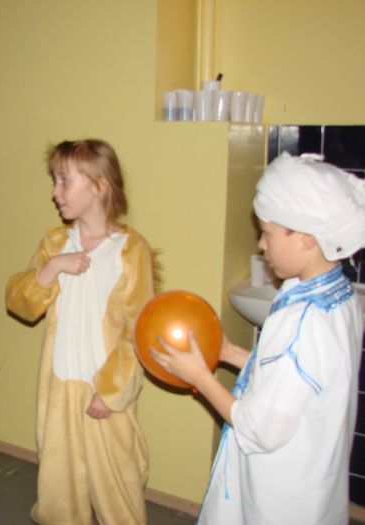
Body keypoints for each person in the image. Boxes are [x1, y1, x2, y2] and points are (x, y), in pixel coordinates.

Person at [151, 152, 365, 524]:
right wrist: (231, 353)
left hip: (281, 500)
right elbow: (294, 381)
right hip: (313, 485)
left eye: (267, 233)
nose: (262, 245)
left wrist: (200, 377)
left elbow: (258, 429)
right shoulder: (340, 297)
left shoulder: (303, 321)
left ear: (305, 238)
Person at [6, 139, 156, 524]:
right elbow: (20, 302)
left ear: (99, 185)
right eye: (55, 181)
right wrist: (52, 267)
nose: (55, 192)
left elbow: (139, 329)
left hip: (103, 391)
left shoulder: (131, 250)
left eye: (64, 181)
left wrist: (112, 390)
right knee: (60, 490)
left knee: (117, 487)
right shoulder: (55, 243)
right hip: (59, 387)